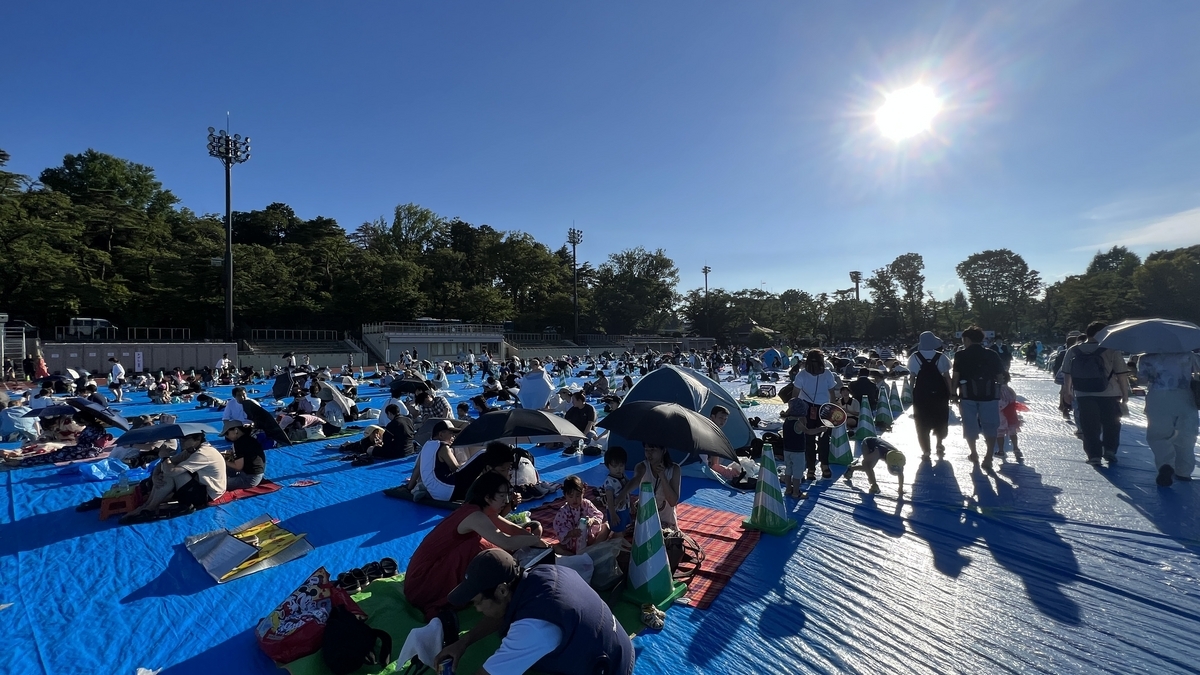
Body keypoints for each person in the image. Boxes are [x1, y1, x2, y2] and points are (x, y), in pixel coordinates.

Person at [436, 548, 635, 675]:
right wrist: (463, 643)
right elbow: (503, 612)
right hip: (616, 646)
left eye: (478, 603)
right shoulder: (542, 574)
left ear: (502, 590)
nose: (478, 610)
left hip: (612, 668)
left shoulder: (533, 628)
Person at [404, 472, 549, 621]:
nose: (506, 501)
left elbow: (510, 529)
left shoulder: (481, 509)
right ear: (487, 497)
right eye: (502, 496)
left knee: (487, 545)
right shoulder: (474, 516)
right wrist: (534, 541)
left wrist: (533, 538)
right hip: (422, 583)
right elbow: (505, 541)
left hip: (421, 575)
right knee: (478, 547)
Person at [1060, 321, 1130, 466]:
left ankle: (1094, 455)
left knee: (1089, 426)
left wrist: (1067, 391)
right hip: (1109, 392)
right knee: (1112, 423)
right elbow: (1121, 374)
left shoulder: (1073, 350)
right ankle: (1109, 450)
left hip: (1083, 393)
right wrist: (1125, 394)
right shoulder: (1111, 350)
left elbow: (1067, 373)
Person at [122, 431, 226, 523]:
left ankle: (150, 506)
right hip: (199, 485)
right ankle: (148, 504)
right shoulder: (190, 450)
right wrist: (154, 476)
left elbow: (171, 471)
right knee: (167, 468)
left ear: (198, 439)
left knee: (170, 472)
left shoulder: (203, 454)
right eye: (180, 439)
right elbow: (162, 465)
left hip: (208, 494)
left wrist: (165, 457)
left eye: (185, 439)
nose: (181, 442)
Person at [1136, 350, 1200, 486]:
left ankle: (1166, 464)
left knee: (1158, 435)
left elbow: (1142, 381)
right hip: (1185, 397)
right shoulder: (1188, 355)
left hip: (1158, 398)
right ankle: (1184, 471)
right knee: (1186, 435)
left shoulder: (1146, 357)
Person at [952, 326, 1005, 469]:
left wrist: (953, 393)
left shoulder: (960, 355)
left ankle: (974, 453)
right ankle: (988, 457)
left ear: (967, 339)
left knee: (969, 424)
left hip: (967, 393)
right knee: (990, 425)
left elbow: (956, 376)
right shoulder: (992, 354)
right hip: (989, 394)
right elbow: (1000, 377)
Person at [790, 349, 838, 480]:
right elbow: (832, 395)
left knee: (812, 439)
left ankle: (815, 467)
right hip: (813, 408)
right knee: (820, 439)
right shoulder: (806, 375)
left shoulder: (805, 374)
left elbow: (795, 395)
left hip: (819, 409)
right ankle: (819, 466)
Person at [906, 331, 954, 458]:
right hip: (940, 394)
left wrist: (910, 393)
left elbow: (912, 378)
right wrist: (952, 393)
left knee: (921, 421)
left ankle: (926, 450)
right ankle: (939, 443)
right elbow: (947, 377)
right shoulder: (941, 356)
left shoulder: (914, 357)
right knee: (941, 419)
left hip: (921, 395)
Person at [551, 475, 610, 554]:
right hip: (572, 544)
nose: (575, 499)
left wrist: (592, 520)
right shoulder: (563, 512)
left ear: (583, 493)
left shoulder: (586, 504)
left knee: (606, 526)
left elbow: (598, 515)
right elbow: (559, 528)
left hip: (590, 539)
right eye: (571, 496)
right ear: (565, 495)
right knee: (556, 548)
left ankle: (593, 549)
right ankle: (574, 557)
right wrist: (570, 533)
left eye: (578, 496)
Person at [627, 443, 680, 528]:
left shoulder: (674, 469)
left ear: (663, 450)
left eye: (652, 450)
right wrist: (622, 495)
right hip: (645, 521)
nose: (649, 454)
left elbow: (672, 501)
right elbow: (635, 480)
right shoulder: (641, 467)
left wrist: (663, 477)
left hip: (666, 523)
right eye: (646, 450)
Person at [407, 420, 461, 501]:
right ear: (441, 434)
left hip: (433, 490)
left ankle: (421, 489)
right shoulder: (443, 447)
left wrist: (409, 487)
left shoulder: (426, 445)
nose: (453, 437)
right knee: (480, 456)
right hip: (447, 491)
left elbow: (417, 469)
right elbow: (456, 469)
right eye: (451, 434)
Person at [222, 421, 266, 490]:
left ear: (236, 430)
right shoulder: (250, 439)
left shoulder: (238, 443)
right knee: (225, 468)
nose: (226, 436)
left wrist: (223, 460)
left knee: (218, 484)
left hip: (249, 479)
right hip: (257, 475)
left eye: (227, 434)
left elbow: (238, 467)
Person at [600, 446, 632, 537]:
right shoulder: (609, 482)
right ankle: (616, 546)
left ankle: (620, 540)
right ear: (607, 465)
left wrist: (632, 505)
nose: (618, 469)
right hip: (616, 511)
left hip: (625, 508)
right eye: (614, 466)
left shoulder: (623, 476)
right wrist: (613, 515)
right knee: (618, 529)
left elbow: (627, 491)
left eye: (621, 465)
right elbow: (610, 501)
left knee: (624, 527)